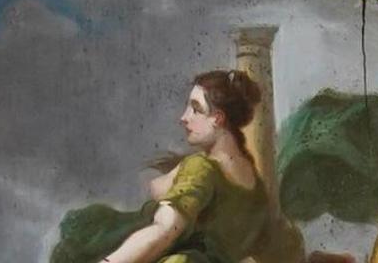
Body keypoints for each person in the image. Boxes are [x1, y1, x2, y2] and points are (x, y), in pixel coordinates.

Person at [98, 71, 300, 263]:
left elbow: (163, 230)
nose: (184, 117)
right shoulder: (254, 182)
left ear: (218, 119)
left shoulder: (201, 168)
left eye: (195, 108)